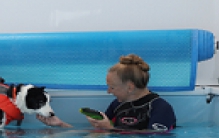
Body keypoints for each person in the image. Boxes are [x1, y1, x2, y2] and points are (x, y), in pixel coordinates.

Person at [36, 53, 176, 132]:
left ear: (130, 87)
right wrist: (61, 124)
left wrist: (110, 129)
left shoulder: (160, 108)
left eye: (112, 87)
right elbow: (101, 132)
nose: (109, 92)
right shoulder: (117, 105)